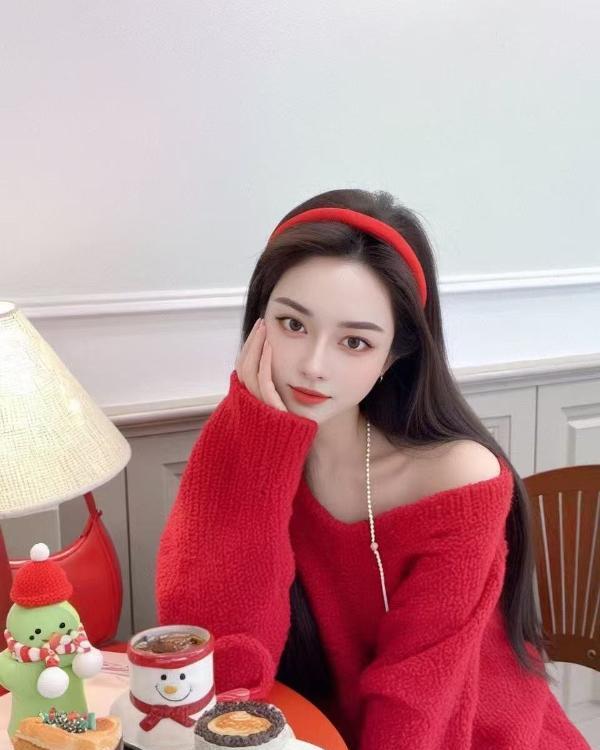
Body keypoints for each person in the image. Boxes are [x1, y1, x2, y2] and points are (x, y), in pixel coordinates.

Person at [155, 189, 591, 749]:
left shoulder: (458, 477)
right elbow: (218, 668)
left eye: (355, 341)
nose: (314, 365)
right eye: (292, 324)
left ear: (394, 357)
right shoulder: (243, 442)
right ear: (259, 320)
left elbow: (417, 706)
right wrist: (260, 445)